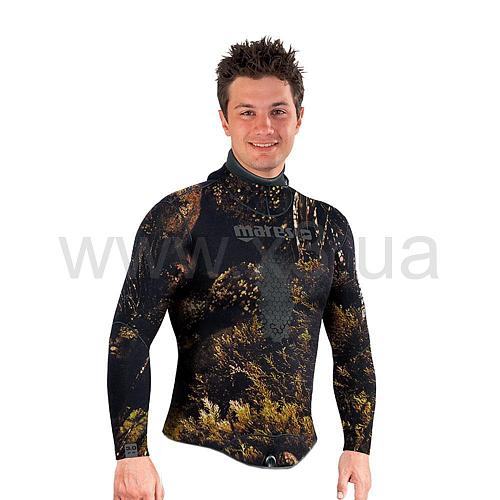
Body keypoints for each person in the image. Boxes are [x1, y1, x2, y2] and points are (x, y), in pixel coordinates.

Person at [107, 36, 376, 500]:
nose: (264, 127)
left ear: (299, 117)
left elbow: (352, 343)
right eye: (247, 112)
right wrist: (131, 452)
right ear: (224, 120)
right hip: (196, 462)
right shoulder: (181, 217)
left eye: (278, 111)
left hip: (306, 471)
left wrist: (358, 445)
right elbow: (129, 337)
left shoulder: (326, 225)